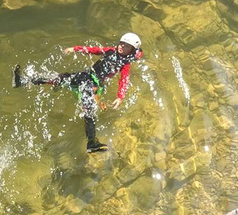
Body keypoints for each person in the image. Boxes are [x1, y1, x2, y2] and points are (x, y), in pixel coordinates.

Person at [13, 32, 143, 153]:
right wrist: (75, 49)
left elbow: (124, 80)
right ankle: (22, 81)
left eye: (127, 46)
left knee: (89, 111)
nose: (122, 46)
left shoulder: (125, 64)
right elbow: (93, 50)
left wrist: (120, 97)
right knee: (59, 78)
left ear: (131, 51)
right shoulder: (110, 51)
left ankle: (92, 143)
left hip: (93, 85)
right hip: (85, 76)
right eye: (122, 43)